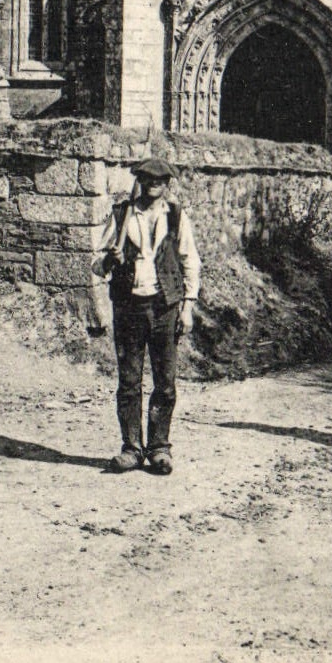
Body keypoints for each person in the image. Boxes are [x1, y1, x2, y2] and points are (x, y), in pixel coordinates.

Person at [96, 157, 201, 476]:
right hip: (128, 307)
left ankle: (159, 448)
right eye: (148, 179)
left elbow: (190, 262)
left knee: (165, 382)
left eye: (161, 180)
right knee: (129, 381)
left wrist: (187, 306)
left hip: (165, 306)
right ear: (139, 181)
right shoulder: (121, 214)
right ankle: (131, 449)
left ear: (167, 184)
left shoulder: (176, 216)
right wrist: (111, 259)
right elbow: (97, 265)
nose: (155, 184)